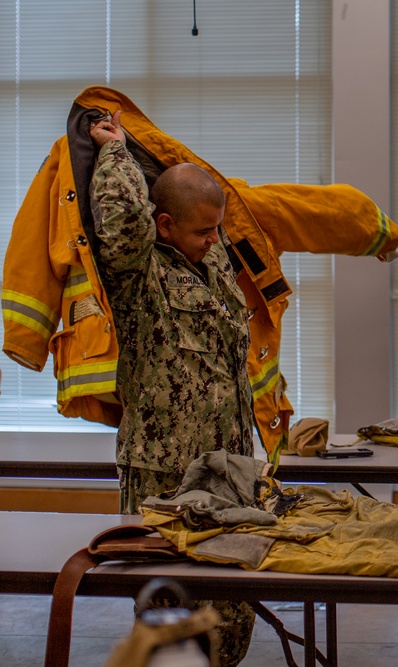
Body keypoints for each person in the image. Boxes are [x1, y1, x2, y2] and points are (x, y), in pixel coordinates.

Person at [89, 110, 256, 666]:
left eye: (218, 228)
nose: (215, 241)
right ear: (164, 225)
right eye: (204, 230)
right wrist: (115, 153)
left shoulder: (210, 262)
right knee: (175, 616)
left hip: (228, 468)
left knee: (233, 609)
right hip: (167, 472)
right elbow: (120, 224)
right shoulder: (140, 272)